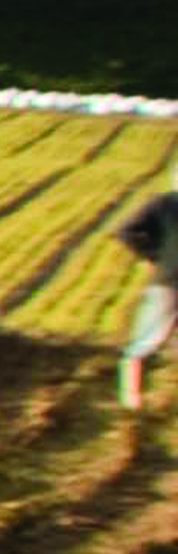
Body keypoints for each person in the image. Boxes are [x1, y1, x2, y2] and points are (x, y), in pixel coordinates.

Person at [120, 169, 172, 413]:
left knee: (151, 340)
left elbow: (127, 232)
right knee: (147, 339)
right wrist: (153, 256)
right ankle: (132, 401)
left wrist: (152, 256)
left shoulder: (161, 204)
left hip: (167, 280)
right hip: (168, 282)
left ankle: (138, 400)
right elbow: (127, 232)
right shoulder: (162, 205)